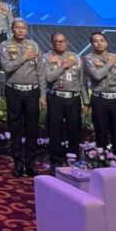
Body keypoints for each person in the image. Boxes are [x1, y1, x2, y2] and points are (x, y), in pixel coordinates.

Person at [0, 19, 45, 177]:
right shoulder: (5, 45)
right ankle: (18, 164)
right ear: (12, 29)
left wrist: (42, 95)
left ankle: (31, 164)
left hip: (32, 91)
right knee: (15, 128)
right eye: (17, 28)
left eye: (23, 28)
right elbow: (6, 67)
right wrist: (24, 57)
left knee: (32, 129)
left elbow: (40, 72)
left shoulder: (34, 45)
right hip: (14, 91)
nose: (20, 30)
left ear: (27, 30)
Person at [84, 33, 116, 165]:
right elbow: (97, 76)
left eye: (102, 40)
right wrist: (110, 63)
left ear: (106, 43)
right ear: (92, 44)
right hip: (99, 100)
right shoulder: (88, 59)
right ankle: (103, 164)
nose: (99, 43)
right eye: (95, 41)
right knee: (101, 133)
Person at [43, 32, 85, 170]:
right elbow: (48, 78)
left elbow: (81, 82)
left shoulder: (76, 58)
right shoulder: (46, 57)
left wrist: (85, 102)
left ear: (67, 42)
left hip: (73, 98)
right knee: (55, 130)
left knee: (74, 130)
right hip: (55, 97)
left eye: (62, 41)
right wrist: (63, 66)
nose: (60, 44)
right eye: (57, 41)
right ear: (52, 43)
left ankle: (74, 161)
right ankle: (55, 162)